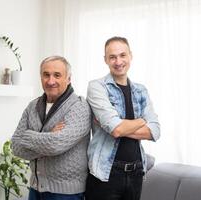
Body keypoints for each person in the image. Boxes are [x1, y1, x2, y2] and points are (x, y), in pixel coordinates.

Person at [85, 36, 160, 200]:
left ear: (130, 56)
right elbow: (116, 129)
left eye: (122, 55)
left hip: (136, 172)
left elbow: (155, 131)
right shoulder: (97, 87)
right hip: (105, 172)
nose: (118, 61)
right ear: (105, 60)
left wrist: (116, 126)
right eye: (112, 57)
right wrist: (142, 120)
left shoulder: (141, 90)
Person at [11, 56, 91, 200]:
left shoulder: (79, 106)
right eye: (46, 75)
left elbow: (56, 145)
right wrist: (48, 135)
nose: (50, 81)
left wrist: (28, 135)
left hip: (66, 194)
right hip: (35, 189)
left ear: (68, 78)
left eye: (57, 75)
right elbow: (16, 146)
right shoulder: (32, 106)